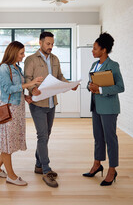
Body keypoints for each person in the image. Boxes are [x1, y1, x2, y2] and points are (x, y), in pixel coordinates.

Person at [24, 32, 78, 188]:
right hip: (37, 103)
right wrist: (33, 89)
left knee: (46, 135)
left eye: (52, 44)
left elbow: (59, 76)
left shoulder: (54, 59)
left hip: (51, 102)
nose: (50, 47)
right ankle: (46, 169)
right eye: (48, 43)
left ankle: (38, 165)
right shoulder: (31, 60)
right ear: (40, 43)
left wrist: (69, 84)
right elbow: (27, 78)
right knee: (42, 135)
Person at [0, 41, 43, 186]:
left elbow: (17, 88)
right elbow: (7, 89)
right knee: (7, 143)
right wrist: (30, 84)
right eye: (21, 53)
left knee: (10, 142)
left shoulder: (16, 68)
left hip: (17, 108)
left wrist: (26, 97)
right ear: (13, 53)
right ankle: (11, 177)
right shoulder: (4, 68)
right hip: (9, 109)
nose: (23, 55)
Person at [82, 32, 125, 186]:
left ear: (104, 50)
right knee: (98, 137)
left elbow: (120, 87)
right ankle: (97, 164)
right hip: (96, 106)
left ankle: (112, 170)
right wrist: (90, 87)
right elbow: (90, 83)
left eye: (95, 48)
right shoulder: (95, 65)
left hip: (109, 108)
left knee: (110, 139)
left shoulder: (113, 65)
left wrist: (100, 89)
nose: (92, 51)